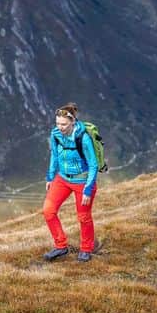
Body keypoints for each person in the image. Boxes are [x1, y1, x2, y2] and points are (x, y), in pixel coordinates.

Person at [43, 103, 98, 262]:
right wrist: (50, 176)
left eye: (64, 124)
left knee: (83, 217)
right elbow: (54, 155)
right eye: (58, 123)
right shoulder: (55, 134)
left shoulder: (83, 138)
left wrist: (88, 190)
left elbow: (93, 165)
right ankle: (61, 247)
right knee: (48, 211)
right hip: (62, 179)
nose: (60, 127)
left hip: (83, 181)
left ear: (73, 122)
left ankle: (86, 249)